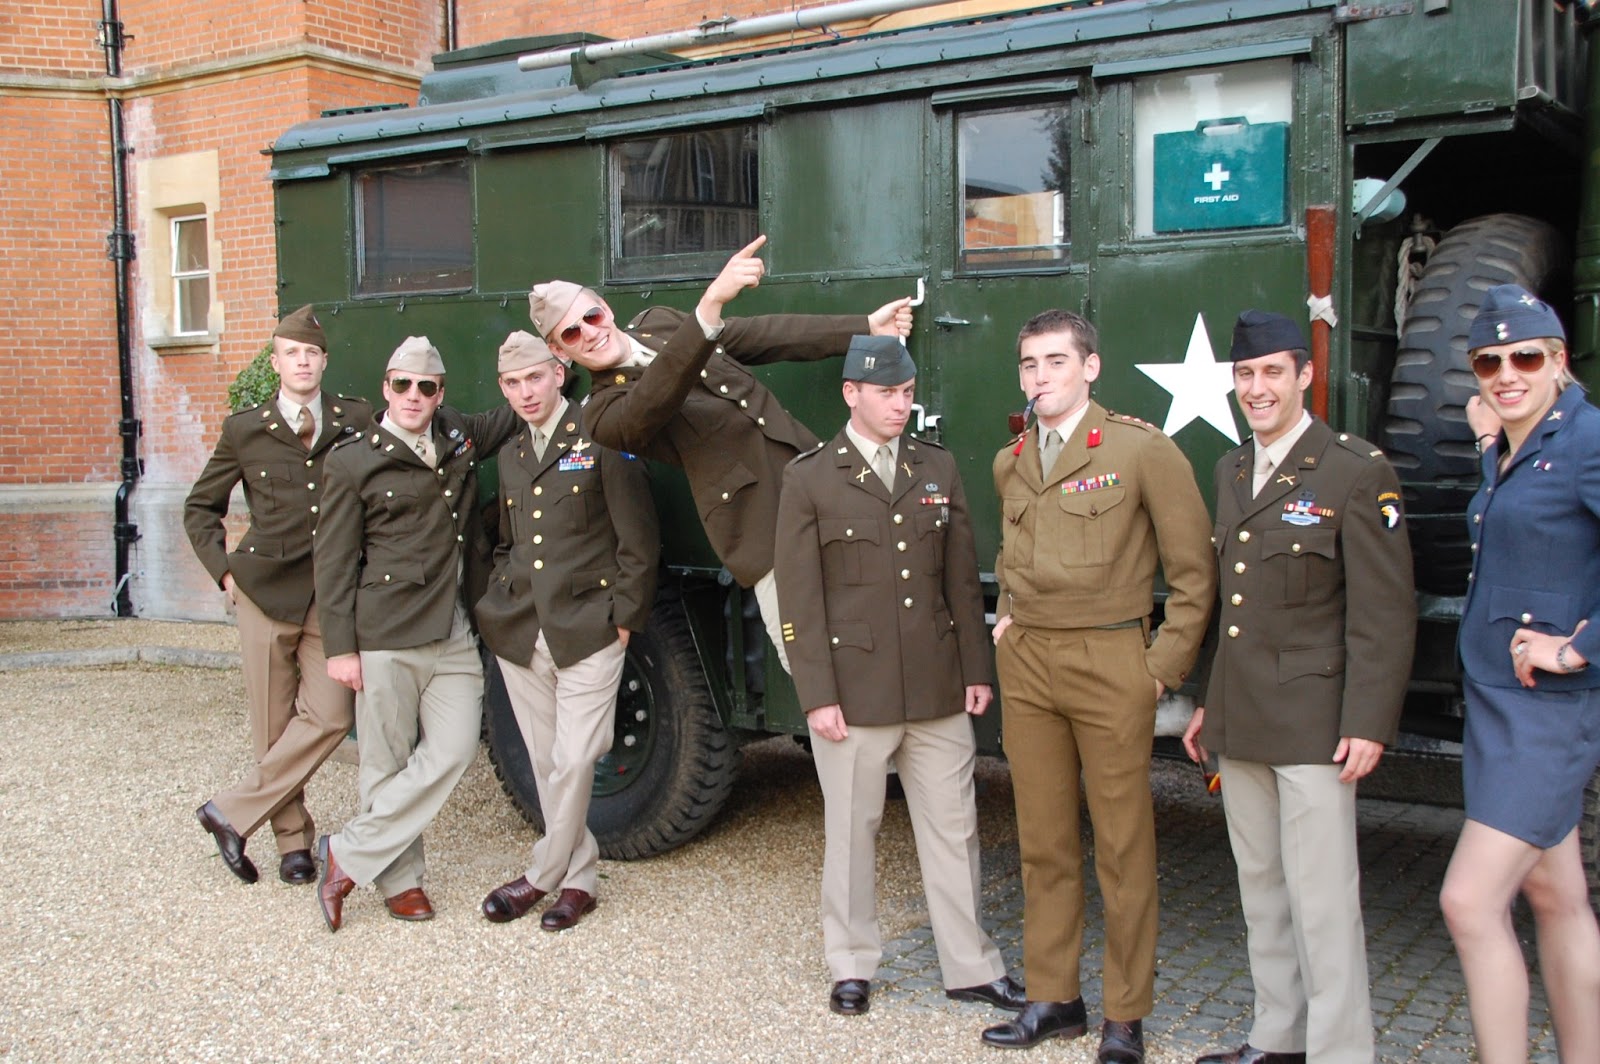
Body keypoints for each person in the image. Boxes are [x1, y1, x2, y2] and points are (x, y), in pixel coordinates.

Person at [1182, 310, 1417, 1064]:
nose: (1257, 389)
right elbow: (1232, 608)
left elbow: (1384, 612)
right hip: (1243, 715)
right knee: (1262, 890)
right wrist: (1209, 701)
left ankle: (1341, 1051)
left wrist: (1368, 721)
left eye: (1272, 373)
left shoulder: (1353, 470)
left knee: (1322, 900)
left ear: (1305, 375)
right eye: (1245, 374)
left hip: (1316, 720)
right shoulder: (1231, 469)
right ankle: (1278, 1037)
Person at [983, 309, 1214, 1061]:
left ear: (1091, 367)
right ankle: (1055, 997)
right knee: (1043, 840)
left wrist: (1158, 670)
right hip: (1029, 664)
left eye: (1056, 361)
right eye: (1029, 363)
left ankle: (1125, 1014)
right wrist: (1007, 616)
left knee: (1123, 845)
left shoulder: (1140, 450)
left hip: (1111, 660)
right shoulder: (1012, 459)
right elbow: (1013, 553)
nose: (1040, 376)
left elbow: (1194, 573)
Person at [775, 335, 1023, 1018]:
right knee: (853, 832)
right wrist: (817, 695)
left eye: (907, 393)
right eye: (887, 393)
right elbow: (799, 600)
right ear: (851, 393)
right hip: (853, 693)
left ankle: (970, 966)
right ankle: (851, 963)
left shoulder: (935, 466)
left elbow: (960, 580)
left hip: (937, 685)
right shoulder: (810, 478)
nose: (900, 405)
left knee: (955, 830)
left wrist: (975, 668)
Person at [528, 235, 912, 673]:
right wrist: (709, 306)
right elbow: (653, 400)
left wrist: (864, 328)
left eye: (591, 316)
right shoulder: (601, 413)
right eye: (572, 333)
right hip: (764, 532)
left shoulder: (660, 323)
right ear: (560, 351)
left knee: (884, 634)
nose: (590, 333)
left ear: (605, 309)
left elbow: (756, 336)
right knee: (816, 666)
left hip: (820, 487)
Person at [1438, 284, 1600, 1064]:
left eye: (1526, 358)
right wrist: (1489, 443)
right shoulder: (1517, 439)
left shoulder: (1587, 440)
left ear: (1559, 360)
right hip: (1499, 704)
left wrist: (1574, 650)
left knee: (1469, 902)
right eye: (1489, 362)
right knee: (1555, 894)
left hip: (1547, 711)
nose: (1507, 374)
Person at [311, 336, 520, 931]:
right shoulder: (352, 461)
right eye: (402, 384)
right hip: (387, 633)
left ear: (440, 394)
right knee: (386, 759)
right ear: (386, 387)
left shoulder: (458, 435)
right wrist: (341, 649)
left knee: (455, 749)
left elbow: (512, 411)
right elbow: (333, 561)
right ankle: (401, 881)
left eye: (425, 387)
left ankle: (346, 852)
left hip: (452, 629)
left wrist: (564, 353)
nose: (413, 396)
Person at [473, 331, 660, 932]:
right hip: (521, 630)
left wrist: (623, 622)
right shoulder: (510, 454)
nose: (525, 392)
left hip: (589, 629)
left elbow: (639, 540)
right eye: (512, 383)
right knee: (546, 761)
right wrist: (497, 601)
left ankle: (540, 875)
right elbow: (509, 541)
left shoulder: (600, 435)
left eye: (535, 377)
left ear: (559, 373)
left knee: (577, 758)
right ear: (503, 390)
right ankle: (579, 882)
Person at [185, 305, 371, 886]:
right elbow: (200, 507)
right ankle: (293, 844)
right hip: (263, 593)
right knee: (272, 723)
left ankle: (230, 813)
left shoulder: (355, 418)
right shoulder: (246, 429)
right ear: (276, 363)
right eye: (292, 353)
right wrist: (224, 574)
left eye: (311, 353)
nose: (303, 362)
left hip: (329, 597)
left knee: (332, 714)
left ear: (324, 361)